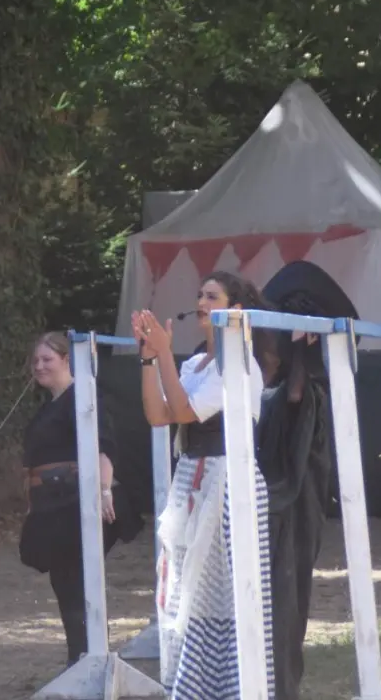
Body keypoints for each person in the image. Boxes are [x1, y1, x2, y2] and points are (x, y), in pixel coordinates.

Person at [134, 271, 274, 697]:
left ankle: (237, 688)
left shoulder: (242, 365)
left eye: (211, 296)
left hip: (229, 484)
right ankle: (192, 688)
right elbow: (159, 415)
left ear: (235, 310)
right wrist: (149, 356)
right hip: (192, 479)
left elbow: (184, 410)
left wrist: (163, 354)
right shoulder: (196, 362)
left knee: (231, 596)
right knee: (185, 591)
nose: (201, 301)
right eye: (199, 294)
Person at [17, 332, 141, 666]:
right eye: (36, 360)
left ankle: (87, 661)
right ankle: (83, 659)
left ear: (67, 360)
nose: (40, 366)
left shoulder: (84, 397)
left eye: (48, 360)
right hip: (54, 506)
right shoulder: (51, 405)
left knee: (75, 581)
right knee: (66, 581)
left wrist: (103, 492)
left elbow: (104, 446)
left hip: (77, 503)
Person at [259, 261, 352, 700]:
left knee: (285, 601)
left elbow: (291, 402)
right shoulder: (258, 384)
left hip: (292, 512)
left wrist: (299, 354)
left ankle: (281, 686)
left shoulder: (305, 393)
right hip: (267, 507)